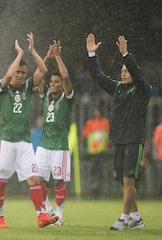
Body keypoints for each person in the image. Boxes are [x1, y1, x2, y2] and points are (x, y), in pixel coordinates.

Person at [0, 33, 59, 229]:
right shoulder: (2, 87)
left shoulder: (28, 86)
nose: (21, 75)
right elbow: (7, 76)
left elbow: (43, 69)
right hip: (6, 142)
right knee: (2, 181)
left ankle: (41, 216)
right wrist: (19, 54)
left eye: (23, 72)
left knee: (33, 178)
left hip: (24, 143)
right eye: (18, 72)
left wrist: (31, 51)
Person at [86, 33, 151, 230]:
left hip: (133, 139)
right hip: (120, 140)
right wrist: (91, 55)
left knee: (128, 179)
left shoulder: (142, 90)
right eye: (122, 70)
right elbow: (98, 77)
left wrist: (126, 56)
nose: (123, 73)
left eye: (127, 71)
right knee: (124, 182)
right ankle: (137, 219)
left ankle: (124, 219)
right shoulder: (117, 88)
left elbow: (138, 75)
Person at [35, 40, 74, 226]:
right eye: (51, 81)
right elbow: (37, 77)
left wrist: (57, 57)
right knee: (38, 179)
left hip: (60, 147)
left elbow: (66, 78)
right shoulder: (45, 96)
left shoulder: (67, 98)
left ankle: (60, 215)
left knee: (58, 182)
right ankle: (49, 209)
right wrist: (47, 57)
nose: (53, 83)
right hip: (44, 145)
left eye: (56, 82)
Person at [81, 107, 110, 197]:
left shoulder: (105, 121)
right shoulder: (90, 123)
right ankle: (94, 190)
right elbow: (84, 135)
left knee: (100, 172)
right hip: (93, 153)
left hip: (102, 152)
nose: (96, 113)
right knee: (94, 172)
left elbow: (108, 134)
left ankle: (99, 189)